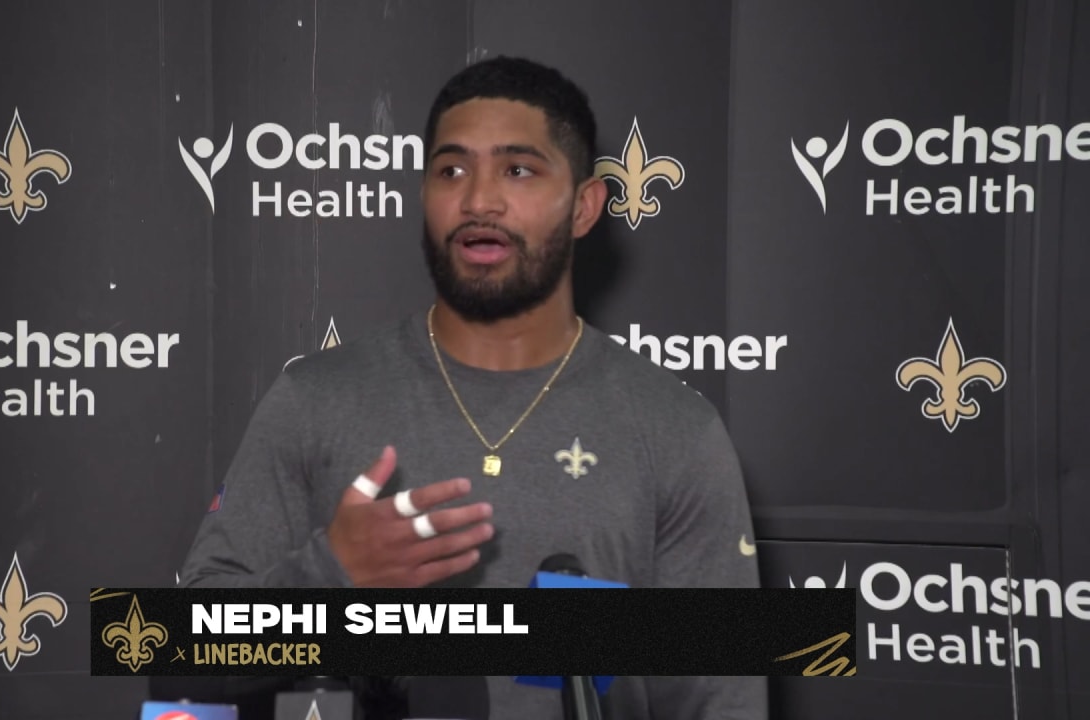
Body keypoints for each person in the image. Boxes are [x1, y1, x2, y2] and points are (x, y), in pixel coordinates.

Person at [178, 55, 766, 720]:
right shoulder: (314, 400)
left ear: (584, 205)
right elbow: (184, 660)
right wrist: (329, 577)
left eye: (518, 169)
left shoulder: (677, 432)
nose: (478, 199)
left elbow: (722, 700)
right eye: (450, 170)